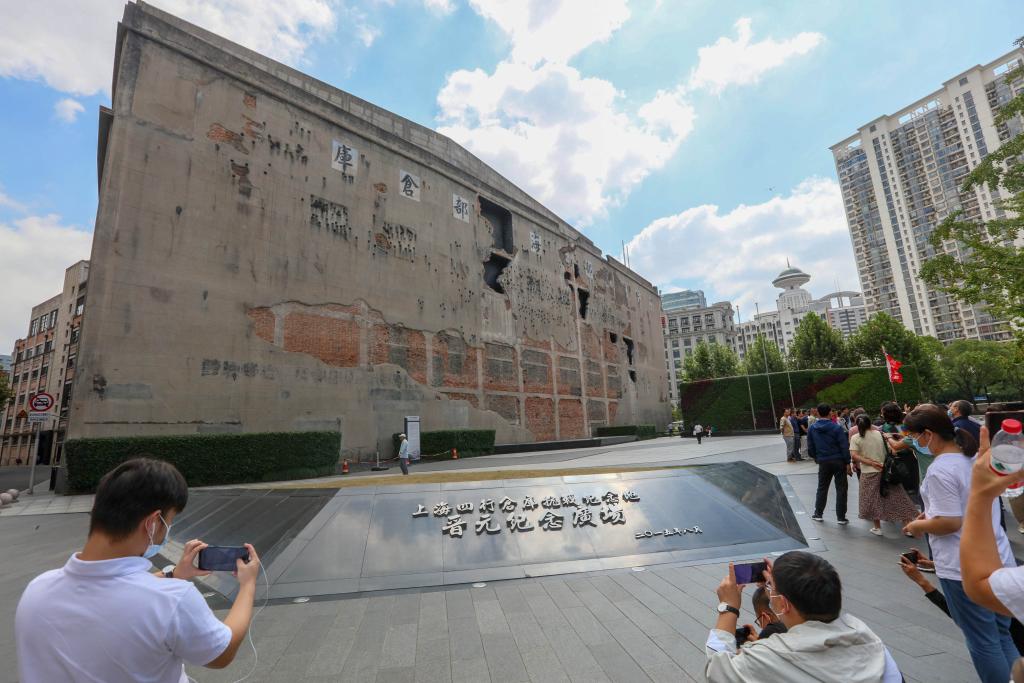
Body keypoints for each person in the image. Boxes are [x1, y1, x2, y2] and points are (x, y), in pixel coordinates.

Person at [16, 458, 260, 683]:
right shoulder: (172, 600)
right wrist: (248, 585)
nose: (167, 530)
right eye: (169, 522)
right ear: (152, 523)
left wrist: (173, 574)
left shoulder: (37, 590)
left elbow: (109, 591)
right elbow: (222, 653)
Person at [902, 406, 1018, 683]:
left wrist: (917, 526)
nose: (914, 443)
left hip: (963, 566)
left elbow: (950, 522)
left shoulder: (939, 470)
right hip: (999, 557)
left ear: (928, 434)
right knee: (1002, 634)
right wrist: (930, 515)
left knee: (983, 640)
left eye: (914, 437)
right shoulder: (974, 459)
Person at [705, 551, 901, 682]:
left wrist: (728, 607)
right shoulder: (869, 639)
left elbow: (716, 669)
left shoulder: (769, 656)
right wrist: (780, 585)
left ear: (784, 604)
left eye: (772, 590)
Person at [899, 552, 1024, 655]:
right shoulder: (1012, 574)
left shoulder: (1005, 596)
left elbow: (963, 615)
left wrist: (922, 581)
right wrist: (937, 566)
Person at [850, 414, 918, 536]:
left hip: (868, 472)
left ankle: (877, 527)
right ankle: (908, 527)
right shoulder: (880, 434)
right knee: (898, 498)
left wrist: (870, 462)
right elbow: (892, 450)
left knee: (871, 500)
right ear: (870, 423)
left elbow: (854, 455)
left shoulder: (856, 437)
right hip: (886, 470)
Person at [807, 403, 852, 524]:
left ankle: (818, 513)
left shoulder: (812, 428)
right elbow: (844, 446)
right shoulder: (836, 427)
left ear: (818, 412)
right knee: (841, 489)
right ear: (829, 413)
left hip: (823, 460)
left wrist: (816, 457)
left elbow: (810, 447)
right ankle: (841, 517)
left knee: (822, 487)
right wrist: (847, 462)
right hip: (838, 460)